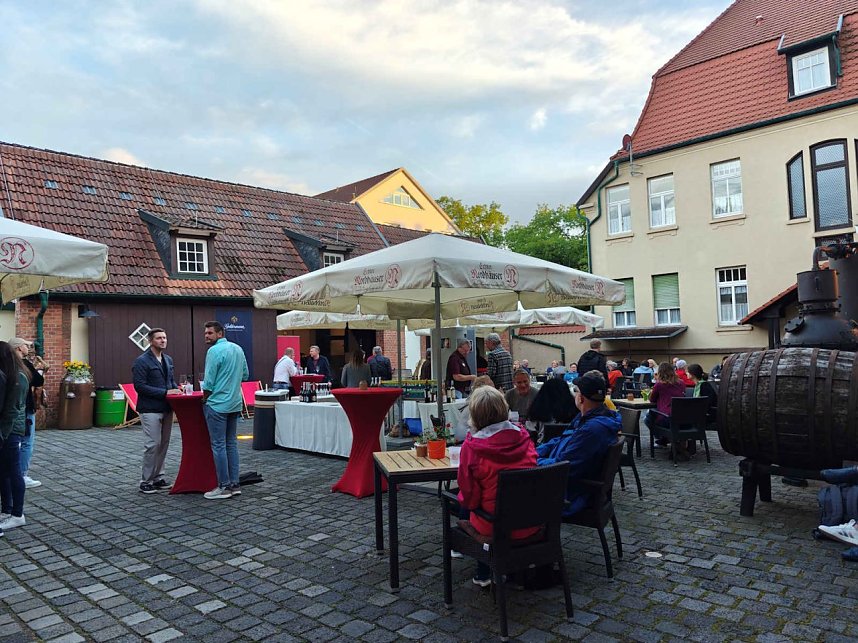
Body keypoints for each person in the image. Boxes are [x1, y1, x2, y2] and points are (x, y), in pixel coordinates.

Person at [457, 386, 538, 586]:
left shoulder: (472, 447)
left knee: (467, 508)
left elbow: (470, 496)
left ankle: (484, 573)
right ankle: (517, 568)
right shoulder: (524, 438)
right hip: (530, 520)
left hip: (494, 525)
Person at [536, 371, 621, 517]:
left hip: (568, 494)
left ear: (581, 398)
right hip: (563, 480)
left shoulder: (592, 429)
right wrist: (535, 452)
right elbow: (561, 439)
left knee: (508, 493)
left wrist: (531, 461)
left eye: (576, 392)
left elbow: (563, 466)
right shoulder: (591, 417)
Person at [202, 321, 249, 500]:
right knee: (231, 444)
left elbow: (209, 382)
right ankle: (235, 484)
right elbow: (245, 375)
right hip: (235, 403)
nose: (206, 336)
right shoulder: (238, 348)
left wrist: (205, 398)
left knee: (219, 445)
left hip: (217, 404)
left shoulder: (213, 351)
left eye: (210, 333)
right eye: (205, 333)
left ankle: (224, 486)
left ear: (220, 334)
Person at [132, 328, 182, 494]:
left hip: (167, 408)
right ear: (150, 341)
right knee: (152, 444)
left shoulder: (168, 359)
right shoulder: (142, 361)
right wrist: (165, 393)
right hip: (150, 409)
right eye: (159, 338)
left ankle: (158, 477)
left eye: (165, 337)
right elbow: (140, 386)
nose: (163, 340)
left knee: (164, 444)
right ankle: (145, 481)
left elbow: (170, 382)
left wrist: (178, 389)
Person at [9, 338, 46, 489]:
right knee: (26, 442)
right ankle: (22, 475)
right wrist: (38, 369)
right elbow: (38, 380)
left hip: (11, 407)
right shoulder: (24, 364)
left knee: (12, 442)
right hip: (25, 407)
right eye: (25, 345)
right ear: (18, 348)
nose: (27, 347)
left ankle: (11, 474)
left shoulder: (6, 363)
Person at [0, 341, 29, 532]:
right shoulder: (12, 374)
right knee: (4, 471)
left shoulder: (18, 377)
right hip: (8, 429)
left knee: (14, 471)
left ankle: (17, 514)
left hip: (12, 430)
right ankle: (7, 509)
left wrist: (2, 433)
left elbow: (12, 409)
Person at [644, 362, 688, 457]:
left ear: (660, 372)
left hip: (667, 418)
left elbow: (652, 399)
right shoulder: (681, 383)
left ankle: (662, 438)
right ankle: (664, 439)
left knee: (647, 418)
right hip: (683, 417)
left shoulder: (659, 385)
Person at [526, 377, 577, 444]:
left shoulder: (536, 410)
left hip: (542, 447)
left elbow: (530, 434)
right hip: (568, 445)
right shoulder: (574, 410)